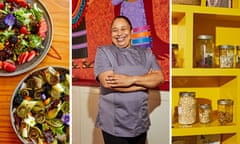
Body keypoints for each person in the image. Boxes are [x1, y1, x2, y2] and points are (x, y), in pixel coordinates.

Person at [94, 16, 164, 144]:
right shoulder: (104, 51)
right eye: (115, 30)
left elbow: (159, 77)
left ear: (131, 32)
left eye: (123, 29)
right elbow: (109, 82)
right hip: (114, 125)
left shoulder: (146, 53)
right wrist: (144, 84)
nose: (119, 33)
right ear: (111, 34)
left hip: (139, 122)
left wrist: (130, 79)